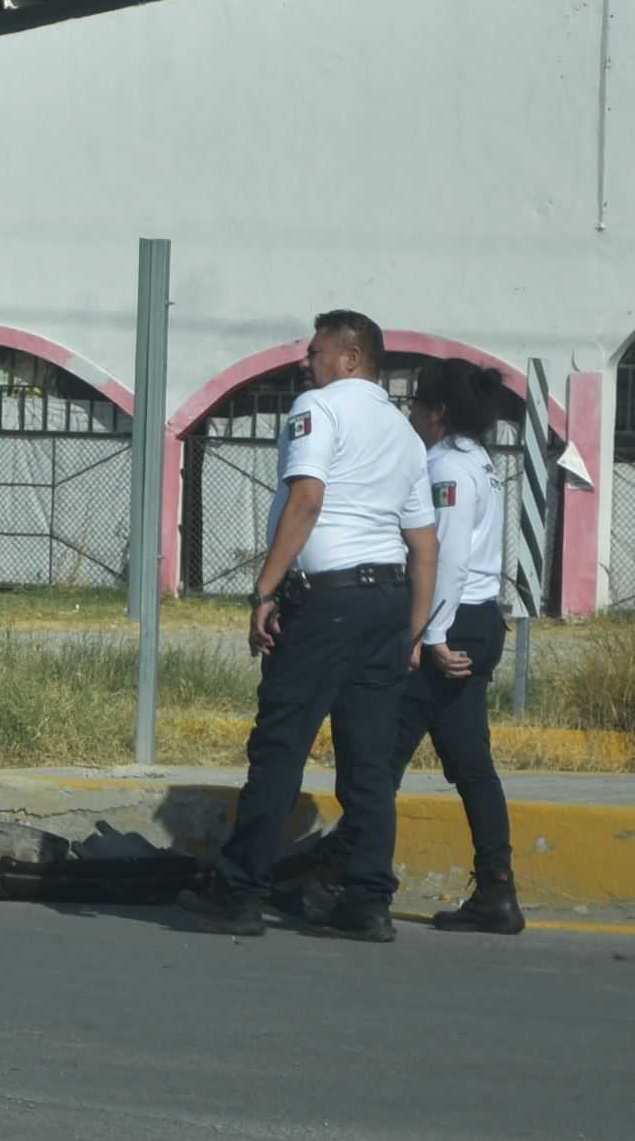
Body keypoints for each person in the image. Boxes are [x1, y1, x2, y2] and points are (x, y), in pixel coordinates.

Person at [178, 310, 438, 943]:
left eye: (316, 351)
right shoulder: (405, 436)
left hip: (325, 605)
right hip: (387, 604)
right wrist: (413, 630)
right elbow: (425, 543)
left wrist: (265, 588)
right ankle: (368, 899)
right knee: (369, 763)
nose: (307, 362)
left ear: (348, 358)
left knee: (281, 745)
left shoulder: (319, 410)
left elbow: (307, 498)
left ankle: (240, 893)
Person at [276, 358, 523, 934]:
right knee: (469, 763)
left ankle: (347, 884)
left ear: (437, 413)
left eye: (416, 406)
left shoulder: (445, 468)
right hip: (475, 620)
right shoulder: (479, 464)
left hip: (450, 626)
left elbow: (448, 555)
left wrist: (428, 635)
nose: (410, 414)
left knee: (376, 761)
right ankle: (496, 889)